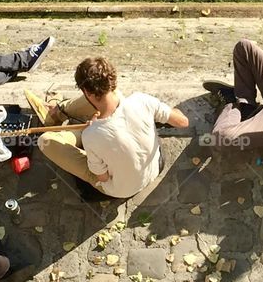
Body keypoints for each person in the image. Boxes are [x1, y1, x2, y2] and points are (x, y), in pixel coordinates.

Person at [37, 57, 189, 199]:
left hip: (120, 190)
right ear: (112, 79)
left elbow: (103, 177)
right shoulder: (142, 100)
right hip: (156, 166)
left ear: (86, 92)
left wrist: (91, 133)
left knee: (45, 140)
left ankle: (59, 116)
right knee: (112, 97)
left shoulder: (91, 136)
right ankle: (60, 111)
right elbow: (182, 122)